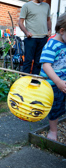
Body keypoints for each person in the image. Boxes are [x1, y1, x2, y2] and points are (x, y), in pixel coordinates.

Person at [40, 12, 66, 141]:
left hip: (63, 82)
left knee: (62, 105)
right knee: (54, 107)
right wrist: (58, 82)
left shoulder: (64, 42)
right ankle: (53, 131)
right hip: (53, 84)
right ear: (62, 31)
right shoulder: (51, 45)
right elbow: (46, 66)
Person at [18, 0, 52, 75]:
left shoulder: (46, 6)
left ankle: (35, 80)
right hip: (31, 38)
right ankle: (24, 81)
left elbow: (48, 19)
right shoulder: (27, 6)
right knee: (28, 61)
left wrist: (49, 30)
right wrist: (26, 32)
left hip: (43, 38)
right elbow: (20, 22)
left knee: (38, 62)